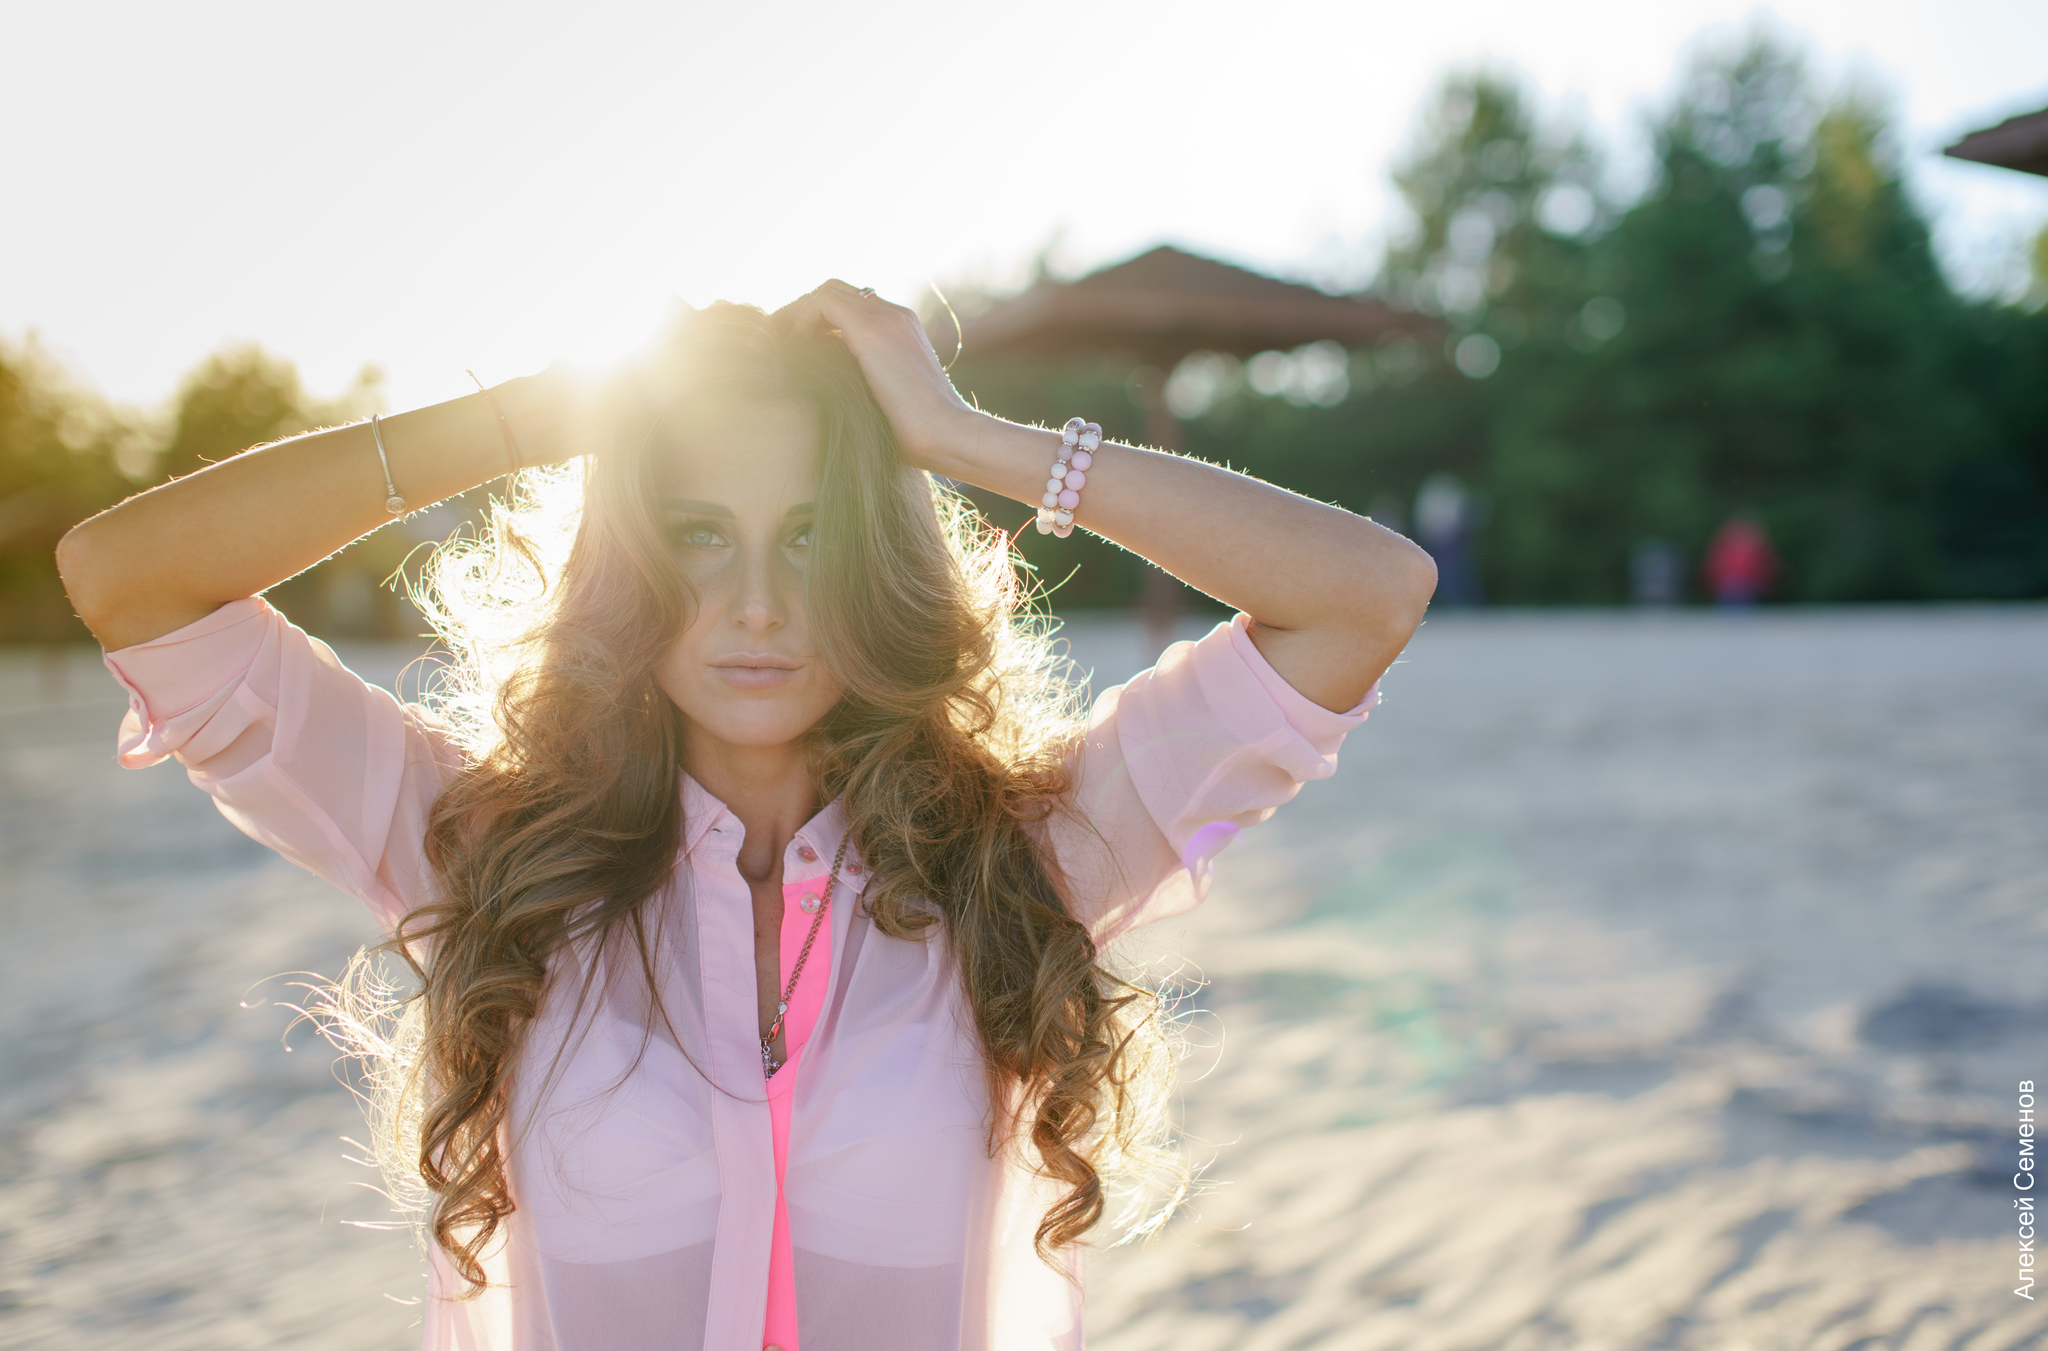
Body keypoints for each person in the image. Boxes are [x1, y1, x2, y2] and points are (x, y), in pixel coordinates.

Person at [55, 284, 1437, 1351]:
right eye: (702, 532)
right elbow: (128, 578)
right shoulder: (479, 850)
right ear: (635, 560)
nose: (762, 604)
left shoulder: (1024, 859)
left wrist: (967, 439)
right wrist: (536, 423)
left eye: (814, 534)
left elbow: (1364, 594)